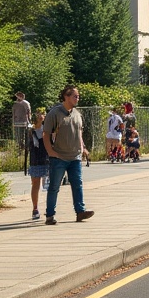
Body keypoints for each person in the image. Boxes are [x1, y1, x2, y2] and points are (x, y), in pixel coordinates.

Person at [42, 84, 94, 225]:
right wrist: (51, 152)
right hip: (59, 157)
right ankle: (50, 215)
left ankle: (80, 212)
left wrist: (83, 147)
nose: (78, 98)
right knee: (54, 186)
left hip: (75, 156)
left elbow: (79, 132)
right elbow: (45, 134)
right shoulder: (55, 113)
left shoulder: (77, 114)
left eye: (78, 96)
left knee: (77, 184)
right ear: (66, 96)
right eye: (75, 96)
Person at [26, 111, 49, 221]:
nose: (40, 116)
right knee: (35, 182)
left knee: (50, 184)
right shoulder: (31, 129)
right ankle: (35, 208)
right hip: (35, 158)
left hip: (47, 157)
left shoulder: (48, 128)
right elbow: (29, 142)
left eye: (42, 114)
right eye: (38, 114)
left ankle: (50, 207)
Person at [12, 92, 32, 172]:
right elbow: (13, 113)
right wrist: (13, 122)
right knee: (18, 139)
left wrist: (29, 122)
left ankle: (25, 151)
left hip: (24, 124)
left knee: (24, 138)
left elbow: (28, 112)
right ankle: (19, 152)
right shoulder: (15, 104)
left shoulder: (26, 103)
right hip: (16, 123)